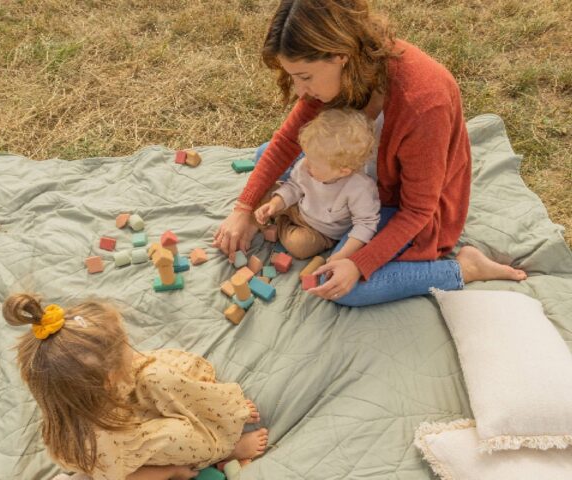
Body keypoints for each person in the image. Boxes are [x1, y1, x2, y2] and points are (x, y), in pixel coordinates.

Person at [213, 0, 526, 306]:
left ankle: (463, 268)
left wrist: (358, 263)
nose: (299, 91)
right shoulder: (337, 75)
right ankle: (322, 227)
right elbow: (284, 144)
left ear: (340, 55)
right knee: (265, 155)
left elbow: (418, 211)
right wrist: (244, 208)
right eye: (293, 76)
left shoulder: (423, 103)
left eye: (305, 77)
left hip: (399, 203)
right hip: (351, 176)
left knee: (346, 288)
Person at [3, 293, 268, 480]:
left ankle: (217, 411)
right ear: (109, 378)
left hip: (119, 412)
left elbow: (137, 374)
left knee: (157, 376)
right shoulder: (101, 444)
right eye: (124, 347)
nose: (130, 348)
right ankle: (225, 448)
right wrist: (170, 472)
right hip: (124, 446)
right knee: (181, 426)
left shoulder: (73, 394)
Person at [254, 108, 380, 260]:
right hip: (298, 208)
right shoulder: (307, 164)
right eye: (307, 156)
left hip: (320, 232)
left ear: (343, 171)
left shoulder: (360, 188)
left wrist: (343, 254)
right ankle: (275, 215)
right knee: (264, 193)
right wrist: (275, 203)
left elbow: (365, 224)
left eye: (314, 164)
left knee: (299, 247)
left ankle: (279, 221)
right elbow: (294, 186)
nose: (305, 164)